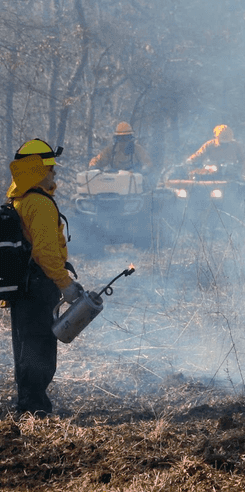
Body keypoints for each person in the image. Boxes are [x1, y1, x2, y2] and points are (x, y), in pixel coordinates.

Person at [7, 138, 84, 416]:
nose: (54, 173)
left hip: (25, 285)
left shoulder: (20, 200)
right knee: (39, 343)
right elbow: (46, 252)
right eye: (50, 167)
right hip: (39, 284)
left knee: (25, 342)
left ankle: (28, 401)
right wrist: (65, 284)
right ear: (38, 168)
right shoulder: (39, 204)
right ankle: (34, 407)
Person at [88, 122, 152, 172]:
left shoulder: (137, 149)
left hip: (133, 182)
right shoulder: (110, 150)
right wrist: (93, 166)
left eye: (126, 138)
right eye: (120, 138)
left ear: (130, 139)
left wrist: (142, 171)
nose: (123, 142)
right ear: (116, 139)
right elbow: (98, 160)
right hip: (115, 183)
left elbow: (148, 164)